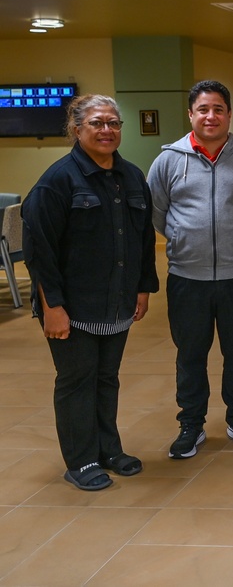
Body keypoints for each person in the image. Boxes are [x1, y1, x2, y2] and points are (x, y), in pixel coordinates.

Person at [21, 94, 159, 490]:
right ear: (76, 129)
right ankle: (81, 460)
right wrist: (53, 308)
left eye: (114, 123)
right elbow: (39, 252)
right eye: (97, 123)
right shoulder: (57, 181)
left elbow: (143, 238)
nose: (107, 130)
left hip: (116, 300)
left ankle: (109, 449)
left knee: (106, 378)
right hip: (71, 306)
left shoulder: (131, 176)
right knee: (76, 380)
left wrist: (143, 288)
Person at [148, 80, 233, 458]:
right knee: (190, 355)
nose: (211, 115)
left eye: (218, 109)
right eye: (203, 109)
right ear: (191, 114)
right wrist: (182, 238)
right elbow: (157, 213)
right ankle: (191, 425)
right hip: (188, 278)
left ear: (228, 114)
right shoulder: (168, 161)